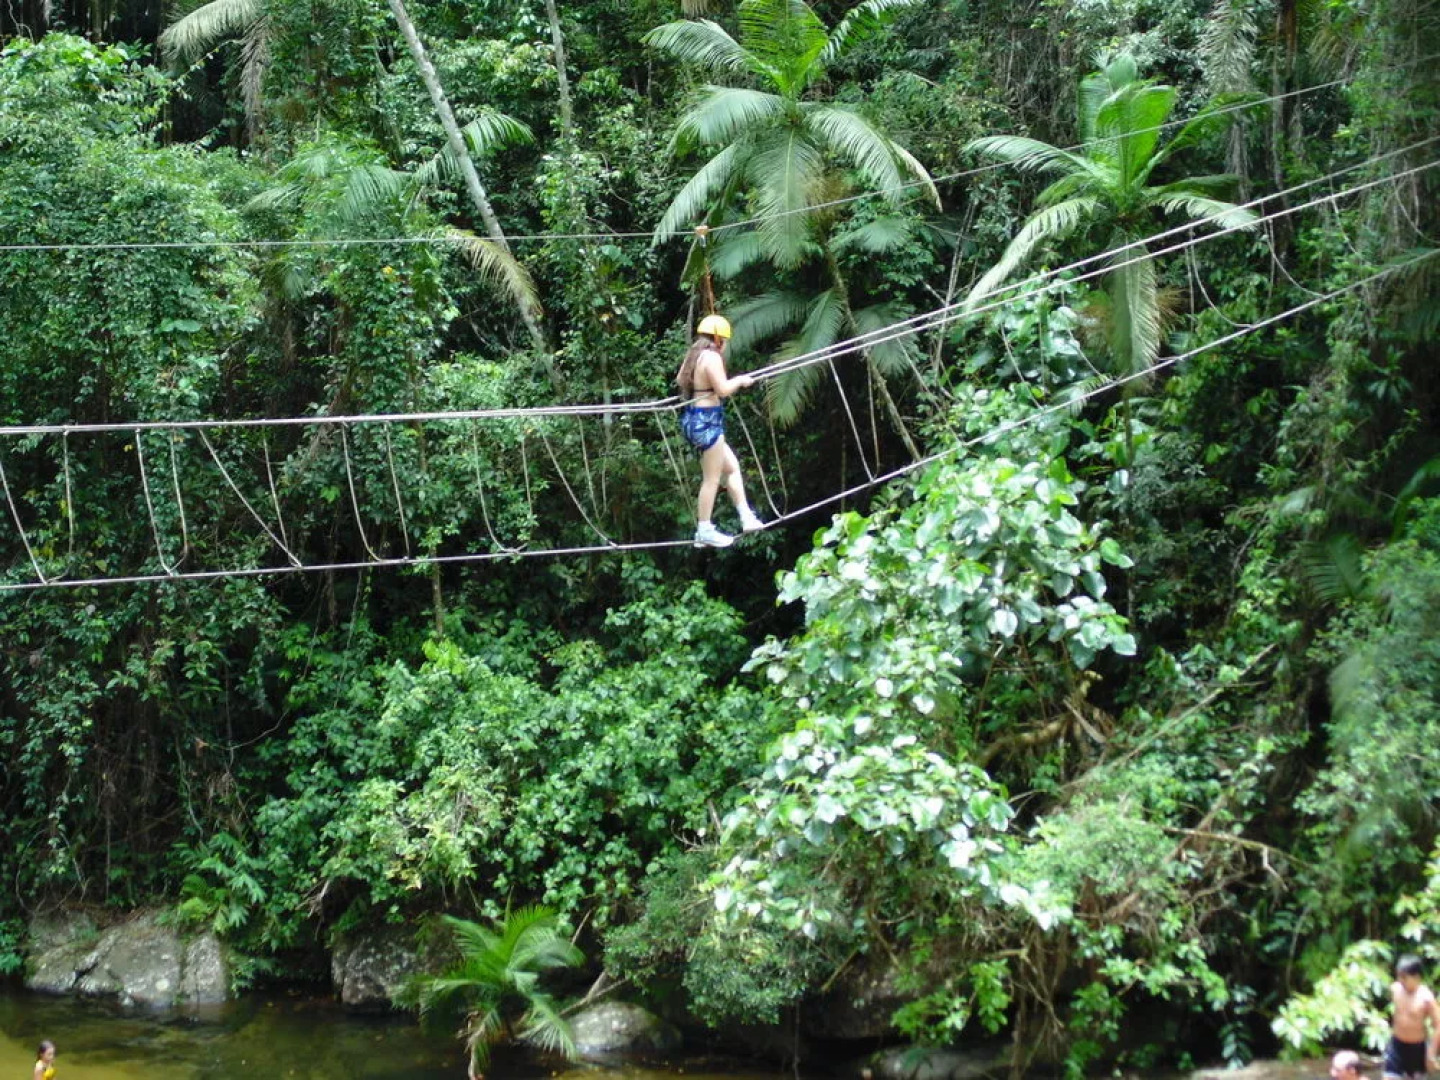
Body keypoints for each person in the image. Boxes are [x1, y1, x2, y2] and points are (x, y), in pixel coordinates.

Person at [676, 314, 764, 548]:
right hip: (707, 422)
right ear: (717, 339)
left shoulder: (694, 355)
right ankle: (704, 529)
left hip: (694, 419)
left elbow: (680, 379)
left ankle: (746, 516)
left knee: (732, 468)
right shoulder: (712, 357)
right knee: (712, 479)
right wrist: (741, 381)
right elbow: (724, 389)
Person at [1385, 955, 1440, 1079]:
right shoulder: (1396, 989)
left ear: (1417, 977)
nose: (1400, 980)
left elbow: (1438, 1025)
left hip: (1417, 1049)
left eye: (1404, 977)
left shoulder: (1426, 998)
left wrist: (1431, 1054)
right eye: (1399, 976)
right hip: (1397, 1045)